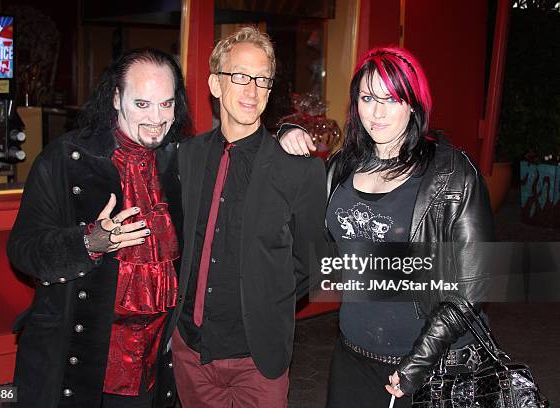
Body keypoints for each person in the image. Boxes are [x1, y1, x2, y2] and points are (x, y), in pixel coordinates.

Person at [280, 46, 495, 407]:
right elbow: (302, 237)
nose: (376, 113)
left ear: (413, 104)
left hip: (431, 365)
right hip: (353, 355)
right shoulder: (342, 167)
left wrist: (418, 365)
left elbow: (470, 290)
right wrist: (285, 136)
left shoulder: (452, 175)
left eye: (391, 99)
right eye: (367, 97)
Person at [7, 48, 190, 408]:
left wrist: (286, 136)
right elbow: (23, 249)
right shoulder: (67, 159)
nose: (157, 118)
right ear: (117, 98)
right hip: (83, 363)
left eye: (166, 104)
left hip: (152, 364)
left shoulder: (179, 161)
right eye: (142, 104)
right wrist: (89, 242)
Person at [164, 27, 327, 408]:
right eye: (239, 76)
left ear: (270, 91)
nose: (251, 90)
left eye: (261, 80)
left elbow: (310, 263)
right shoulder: (184, 158)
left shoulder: (299, 171)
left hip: (257, 361)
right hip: (191, 352)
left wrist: (270, 301)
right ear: (215, 84)